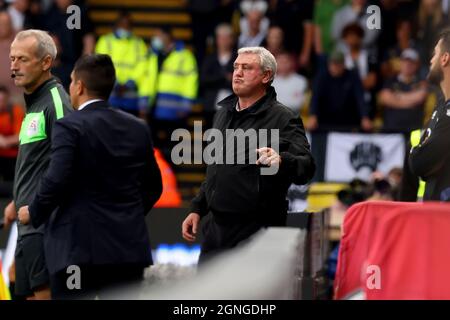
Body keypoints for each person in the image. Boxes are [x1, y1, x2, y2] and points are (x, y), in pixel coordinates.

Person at [17, 54, 163, 299]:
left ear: (80, 86)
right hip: (127, 250)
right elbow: (153, 186)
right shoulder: (137, 127)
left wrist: (33, 211)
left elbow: (56, 180)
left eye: (72, 81)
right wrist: (127, 214)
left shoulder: (70, 126)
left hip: (77, 251)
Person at [181, 47, 315, 262]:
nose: (238, 73)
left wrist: (282, 160)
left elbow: (306, 167)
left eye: (247, 68)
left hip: (258, 233)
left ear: (266, 76)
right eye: (235, 67)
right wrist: (198, 207)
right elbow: (216, 170)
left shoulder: (283, 118)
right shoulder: (223, 113)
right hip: (216, 231)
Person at [6, 29, 73, 299]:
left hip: (45, 224)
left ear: (46, 63)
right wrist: (15, 201)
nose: (13, 66)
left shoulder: (56, 102)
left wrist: (35, 207)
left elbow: (66, 163)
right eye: (12, 59)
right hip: (28, 223)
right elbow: (36, 162)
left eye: (22, 59)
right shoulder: (34, 103)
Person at [409, 28, 450, 201]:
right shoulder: (441, 106)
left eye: (435, 54)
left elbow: (420, 162)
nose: (431, 60)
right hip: (434, 215)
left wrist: (416, 152)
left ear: (445, 58)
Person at [0, 86, 24, 182]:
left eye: (3, 100)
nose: (0, 103)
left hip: (12, 156)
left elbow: (21, 136)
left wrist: (5, 141)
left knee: (11, 183)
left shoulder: (15, 111)